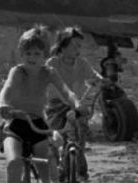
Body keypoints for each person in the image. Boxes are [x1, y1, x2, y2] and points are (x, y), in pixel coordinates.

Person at [0, 27, 79, 183]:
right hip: (15, 125)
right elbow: (7, 88)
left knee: (46, 166)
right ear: (22, 54)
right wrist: (3, 104)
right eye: (28, 53)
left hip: (38, 126)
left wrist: (77, 105)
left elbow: (66, 91)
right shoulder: (17, 71)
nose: (32, 57)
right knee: (14, 162)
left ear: (45, 55)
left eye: (36, 54)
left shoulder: (49, 72)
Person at [45, 27, 101, 182]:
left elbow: (94, 75)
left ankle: (81, 173)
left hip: (76, 104)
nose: (78, 49)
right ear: (63, 46)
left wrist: (99, 79)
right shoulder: (53, 62)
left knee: (79, 138)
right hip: (56, 104)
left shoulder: (82, 63)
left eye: (79, 46)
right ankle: (56, 166)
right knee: (56, 136)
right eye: (74, 45)